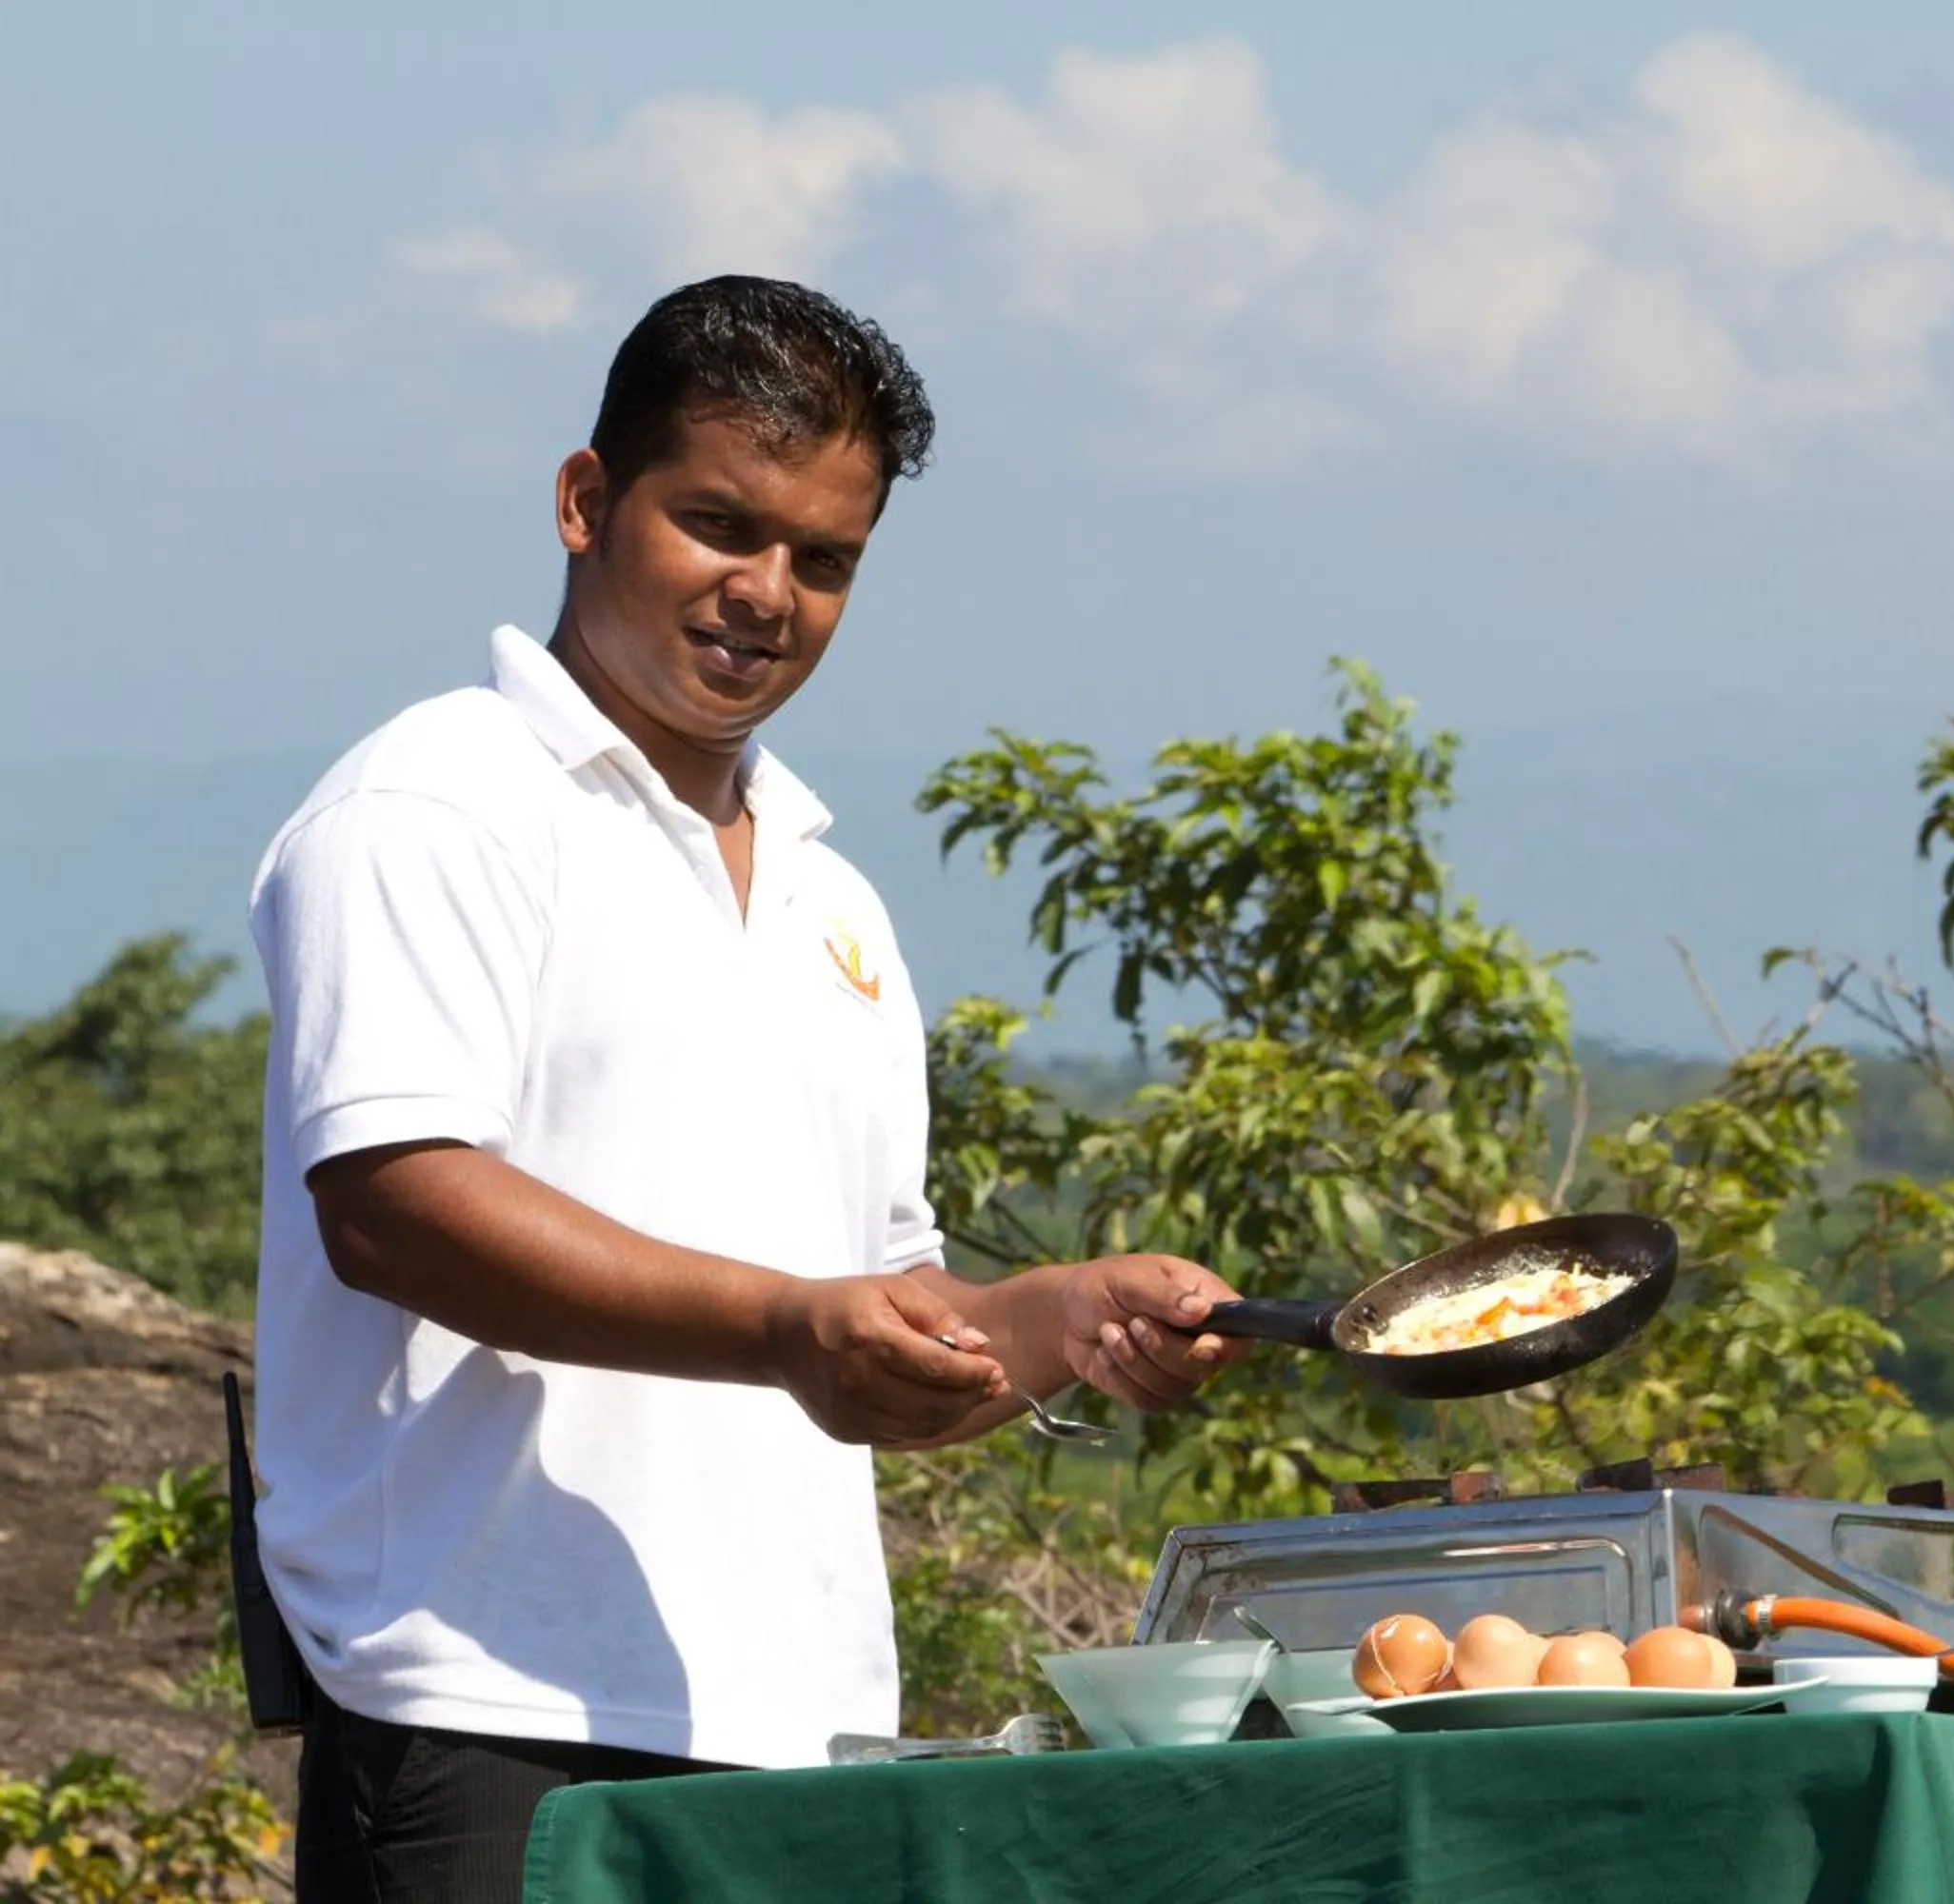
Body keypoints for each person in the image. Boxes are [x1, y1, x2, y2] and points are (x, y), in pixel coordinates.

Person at [245, 275, 1246, 1904]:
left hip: (798, 1731)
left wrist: (1059, 1325)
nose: (766, 592)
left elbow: (875, 1318)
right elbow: (395, 1207)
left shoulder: (829, 896)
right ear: (586, 502)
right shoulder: (438, 803)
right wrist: (789, 1328)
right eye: (718, 524)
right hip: (485, 1710)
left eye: (825, 557)